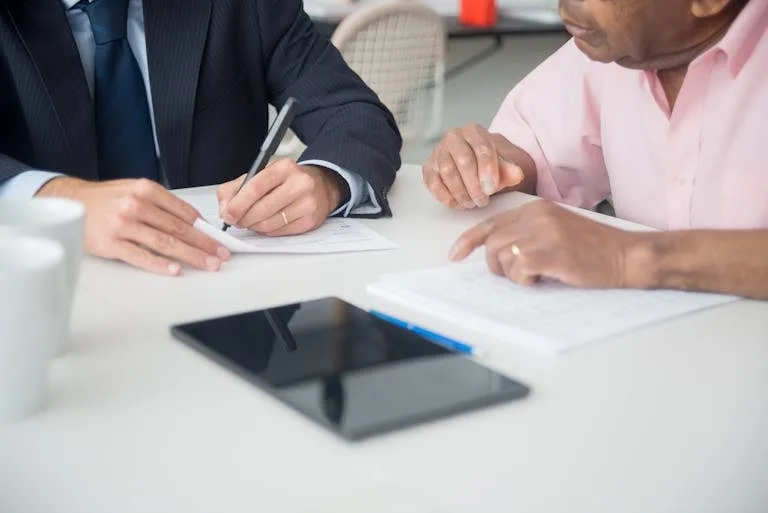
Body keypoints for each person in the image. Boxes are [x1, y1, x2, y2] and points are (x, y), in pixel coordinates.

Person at [0, 0, 402, 275]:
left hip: (220, 287)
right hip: (49, 297)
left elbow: (353, 111)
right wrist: (61, 200)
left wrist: (324, 181)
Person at [423, 0, 768, 299]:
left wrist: (628, 257)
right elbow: (531, 148)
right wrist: (483, 164)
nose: (566, 6)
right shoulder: (618, 50)